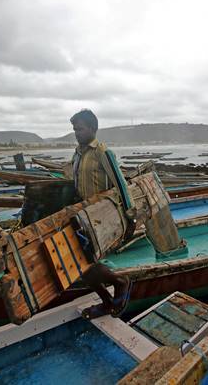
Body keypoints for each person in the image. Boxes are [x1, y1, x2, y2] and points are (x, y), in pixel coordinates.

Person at [67, 109, 131, 319]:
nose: (77, 133)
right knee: (81, 264)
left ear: (93, 129)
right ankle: (107, 300)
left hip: (100, 216)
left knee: (85, 262)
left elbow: (121, 184)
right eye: (75, 129)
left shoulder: (102, 152)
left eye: (80, 129)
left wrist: (130, 217)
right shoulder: (78, 153)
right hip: (82, 215)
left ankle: (120, 283)